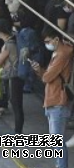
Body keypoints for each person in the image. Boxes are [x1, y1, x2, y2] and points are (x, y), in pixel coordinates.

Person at [31, 28, 73, 168]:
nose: (46, 44)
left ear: (56, 39)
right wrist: (40, 71)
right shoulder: (59, 53)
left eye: (48, 41)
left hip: (58, 101)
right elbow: (47, 76)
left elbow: (48, 77)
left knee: (56, 141)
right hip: (53, 99)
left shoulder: (61, 55)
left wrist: (42, 73)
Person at [0, 18, 24, 132]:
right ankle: (18, 131)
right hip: (17, 75)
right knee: (17, 104)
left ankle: (18, 132)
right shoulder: (13, 41)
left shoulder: (9, 44)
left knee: (16, 104)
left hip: (13, 76)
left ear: (1, 31)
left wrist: (0, 56)